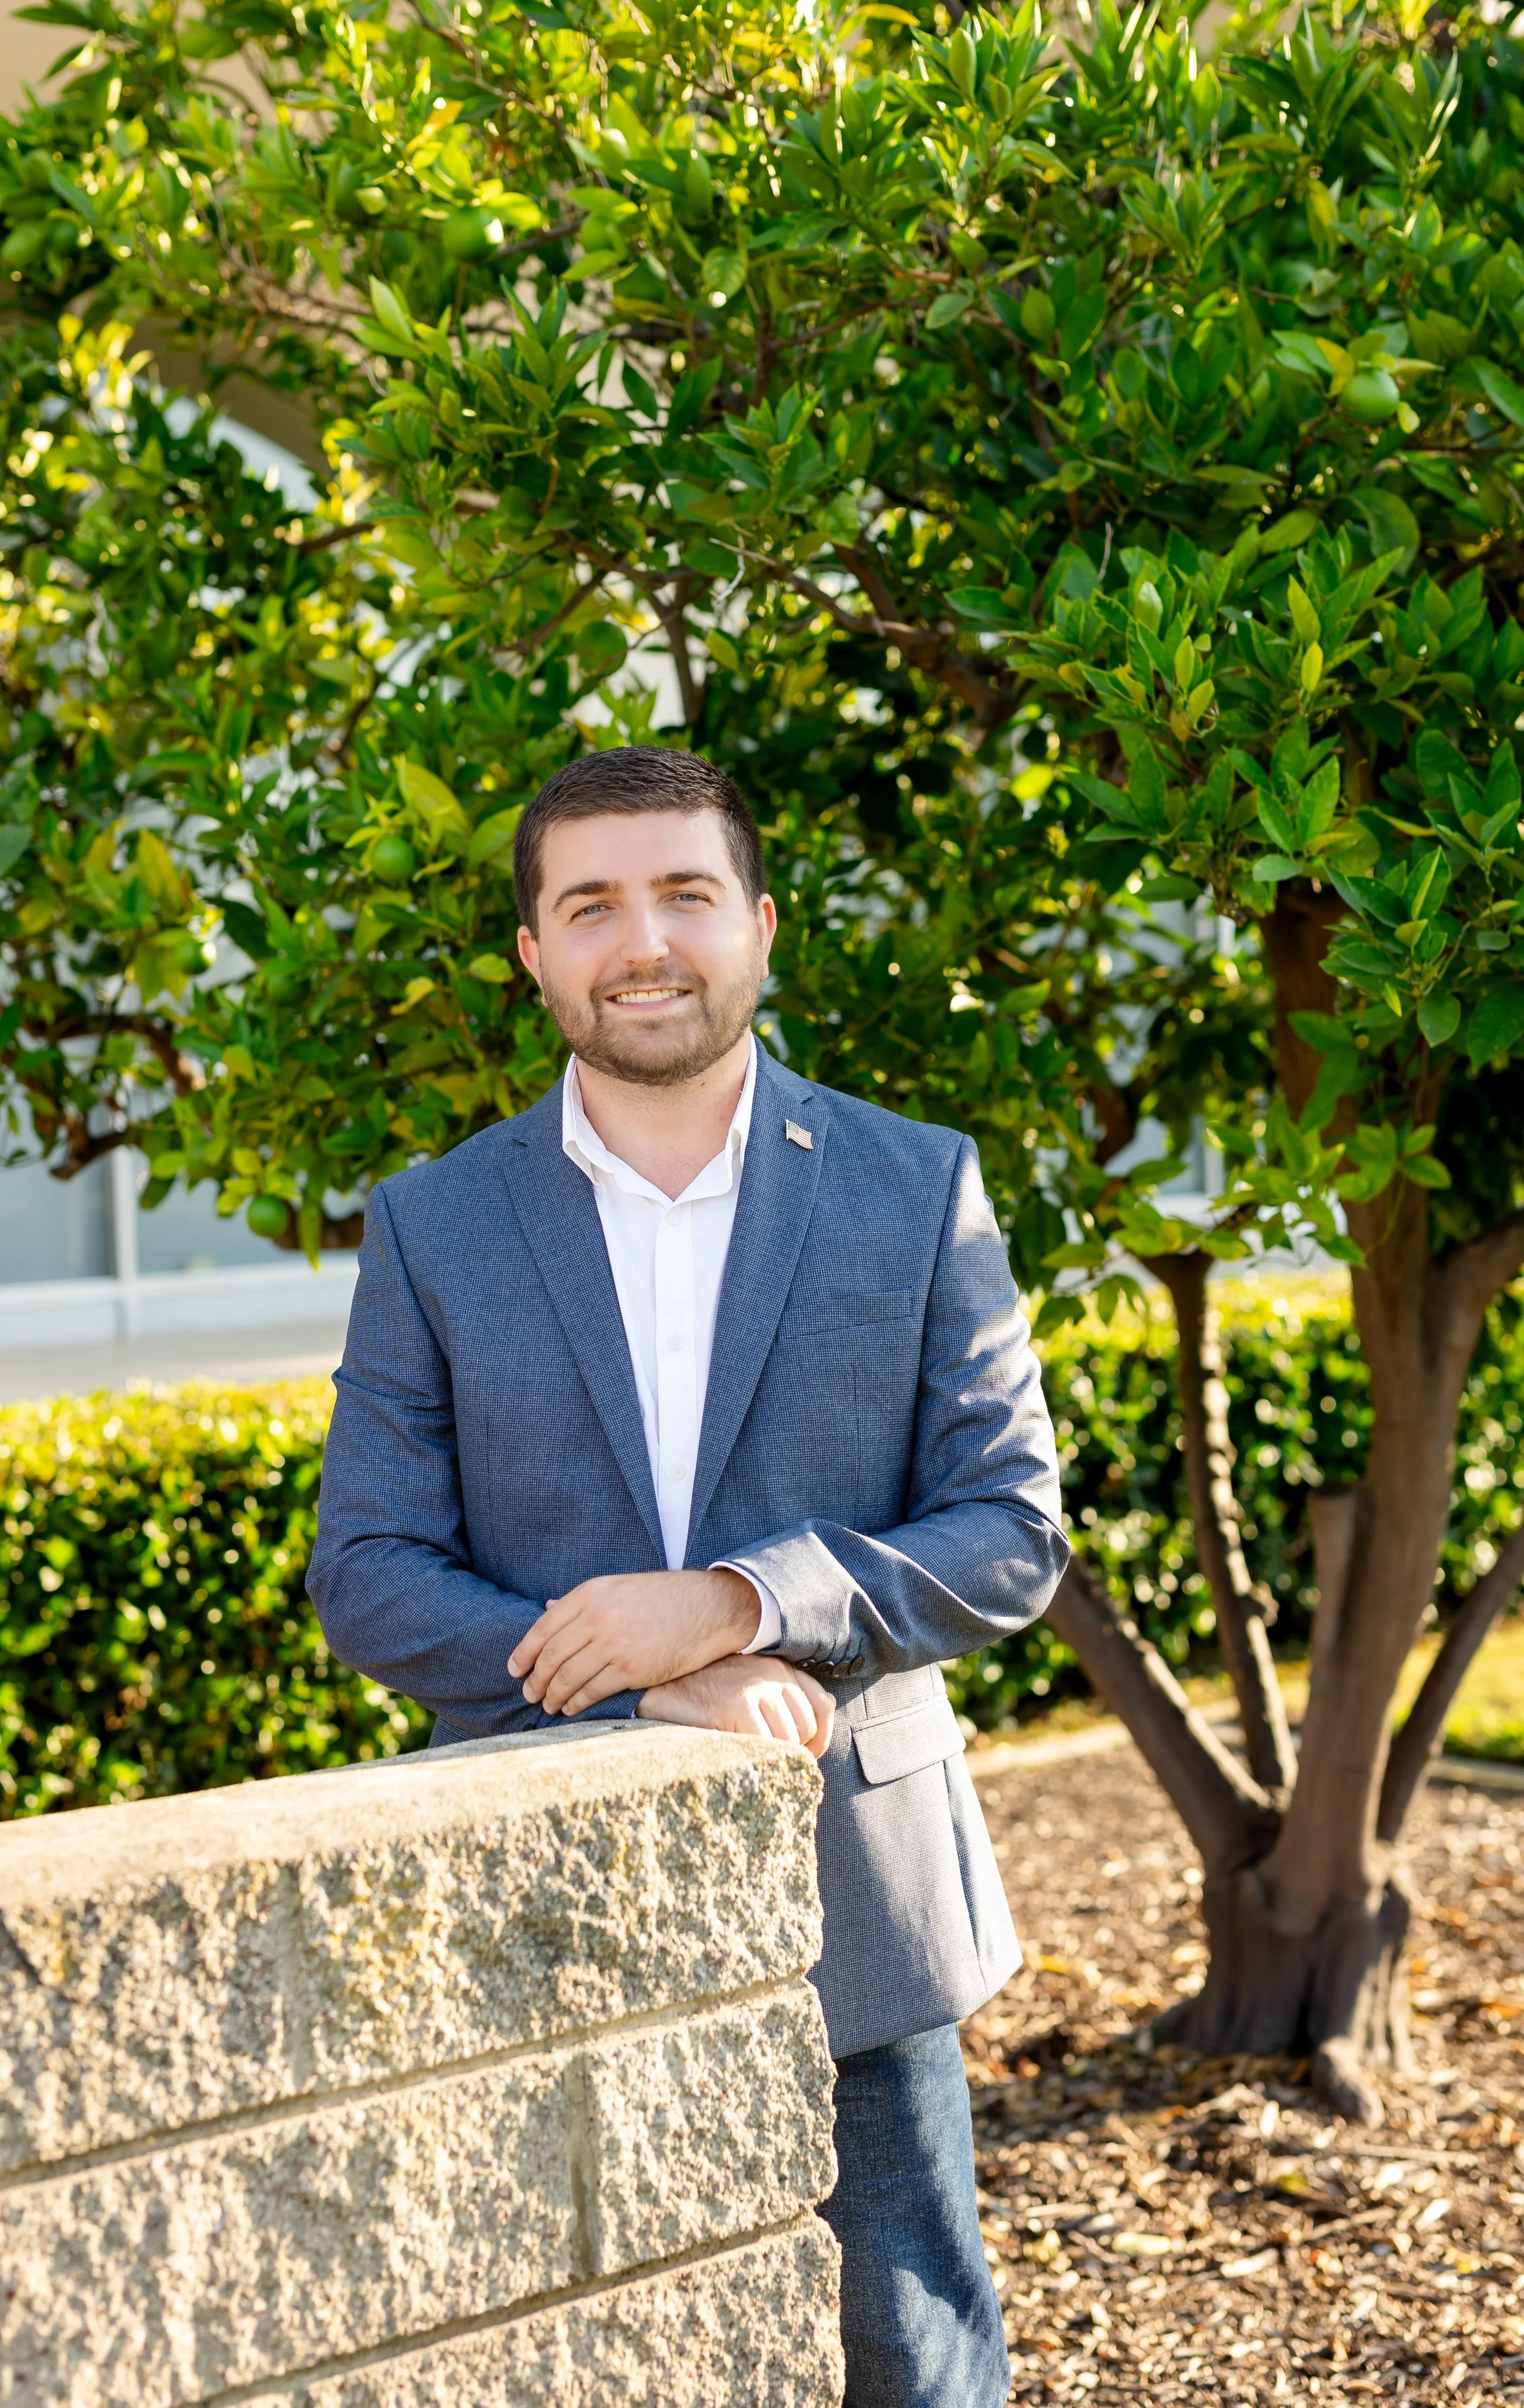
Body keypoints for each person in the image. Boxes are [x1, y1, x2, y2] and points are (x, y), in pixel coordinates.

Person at [308, 745, 1069, 2407]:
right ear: (532, 951)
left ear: (760, 929)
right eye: (588, 904)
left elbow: (1009, 1528)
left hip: (853, 1892)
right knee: (572, 2360)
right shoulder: (434, 1224)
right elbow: (365, 1573)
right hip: (528, 1887)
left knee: (909, 2351)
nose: (639, 939)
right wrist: (649, 1673)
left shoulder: (911, 1184)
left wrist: (737, 1600)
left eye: (682, 895)